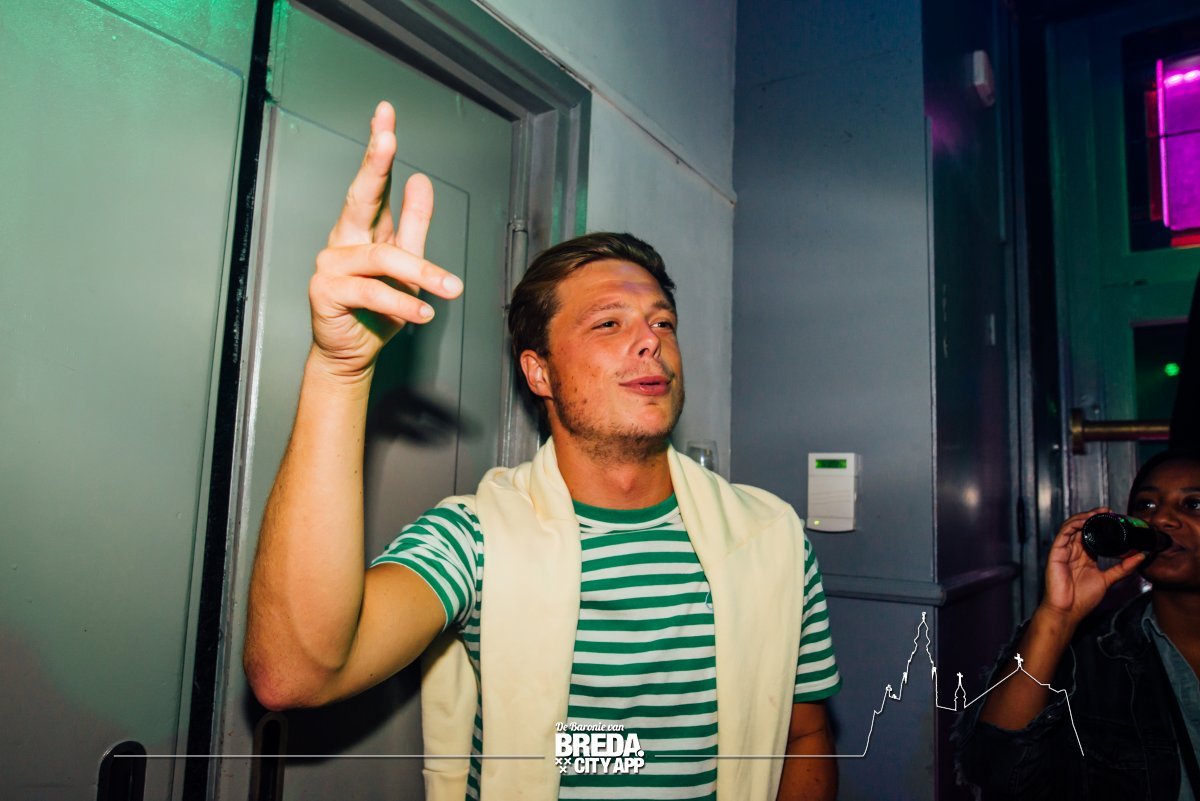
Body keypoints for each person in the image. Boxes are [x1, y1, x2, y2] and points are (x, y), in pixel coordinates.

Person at [243, 101, 841, 801]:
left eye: (662, 322)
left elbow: (804, 734)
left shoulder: (770, 537)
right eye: (609, 323)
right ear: (539, 372)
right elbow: (294, 674)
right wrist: (339, 370)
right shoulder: (475, 538)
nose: (650, 341)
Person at [955, 449, 1200, 800]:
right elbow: (997, 774)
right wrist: (1057, 616)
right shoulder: (1092, 654)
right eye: (1146, 505)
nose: (1161, 518)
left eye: (1193, 504)